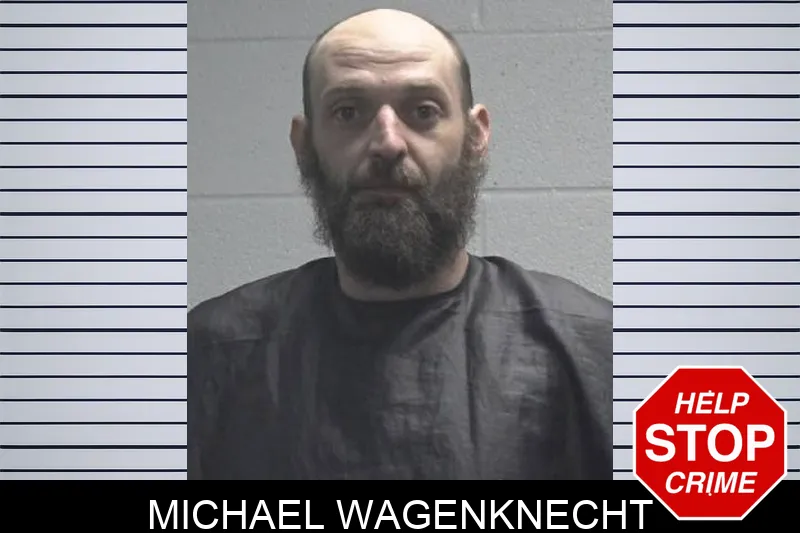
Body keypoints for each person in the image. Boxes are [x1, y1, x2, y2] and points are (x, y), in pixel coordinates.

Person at [187, 8, 612, 480]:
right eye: (348, 112)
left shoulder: (601, 350)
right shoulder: (210, 354)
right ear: (304, 144)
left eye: (423, 112)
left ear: (475, 134)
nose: (388, 143)